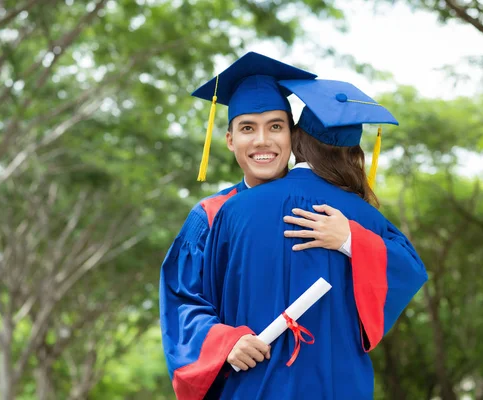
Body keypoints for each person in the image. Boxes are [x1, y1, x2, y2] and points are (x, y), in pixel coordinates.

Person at [159, 54, 374, 400]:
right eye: (247, 128)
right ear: (230, 140)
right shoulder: (211, 216)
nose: (262, 141)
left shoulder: (334, 209)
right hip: (251, 385)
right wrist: (226, 342)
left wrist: (350, 240)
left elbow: (391, 272)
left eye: (276, 126)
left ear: (293, 136)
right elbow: (182, 302)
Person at [201, 79, 428, 399]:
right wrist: (353, 241)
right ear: (354, 154)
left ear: (295, 140)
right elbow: (410, 271)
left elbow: (208, 302)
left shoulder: (233, 211)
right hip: (337, 387)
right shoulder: (364, 219)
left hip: (253, 384)